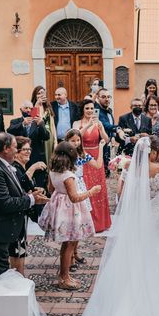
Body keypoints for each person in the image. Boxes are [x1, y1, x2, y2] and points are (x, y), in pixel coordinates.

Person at [72, 136, 159, 316]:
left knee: (133, 258)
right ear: (153, 152)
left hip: (133, 218)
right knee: (157, 259)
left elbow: (120, 194)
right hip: (153, 219)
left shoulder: (127, 167)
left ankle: (126, 305)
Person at [0, 133, 49, 276]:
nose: (17, 150)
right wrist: (31, 200)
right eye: (15, 147)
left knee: (1, 273)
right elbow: (5, 202)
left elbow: (14, 192)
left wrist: (30, 196)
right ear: (6, 148)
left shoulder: (3, 165)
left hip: (2, 229)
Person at [39, 142, 100, 290]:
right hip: (70, 210)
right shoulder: (68, 175)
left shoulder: (53, 171)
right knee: (70, 243)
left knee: (67, 243)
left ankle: (64, 274)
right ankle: (64, 277)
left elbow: (50, 188)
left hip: (59, 206)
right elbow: (74, 197)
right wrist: (91, 191)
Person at [64, 129, 105, 267]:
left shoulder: (82, 154)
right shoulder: (64, 155)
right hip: (70, 187)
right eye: (72, 140)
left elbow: (98, 165)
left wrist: (100, 148)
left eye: (78, 140)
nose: (76, 143)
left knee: (79, 223)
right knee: (72, 224)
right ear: (67, 141)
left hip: (81, 186)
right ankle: (69, 258)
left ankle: (75, 253)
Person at [9, 136, 47, 276]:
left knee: (21, 246)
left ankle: (20, 275)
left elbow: (27, 186)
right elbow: (21, 182)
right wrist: (33, 167)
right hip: (16, 213)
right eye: (24, 149)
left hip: (23, 212)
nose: (28, 152)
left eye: (29, 149)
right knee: (16, 249)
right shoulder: (14, 167)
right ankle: (17, 276)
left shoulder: (20, 167)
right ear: (16, 152)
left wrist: (36, 189)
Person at [73, 99, 111, 233]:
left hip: (96, 156)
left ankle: (100, 223)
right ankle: (86, 222)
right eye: (87, 108)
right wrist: (89, 125)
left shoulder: (98, 122)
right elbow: (76, 136)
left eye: (91, 108)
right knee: (85, 187)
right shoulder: (77, 123)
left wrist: (101, 129)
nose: (89, 111)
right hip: (82, 156)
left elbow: (106, 140)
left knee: (98, 188)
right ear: (83, 110)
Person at [7, 100, 51, 169]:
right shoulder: (15, 121)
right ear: (21, 109)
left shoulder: (38, 121)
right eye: (26, 108)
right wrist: (22, 124)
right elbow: (9, 131)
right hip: (19, 158)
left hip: (36, 158)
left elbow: (46, 137)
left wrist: (41, 125)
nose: (28, 110)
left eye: (30, 108)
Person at [30, 85, 55, 190]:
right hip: (39, 138)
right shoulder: (32, 107)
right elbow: (32, 121)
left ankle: (49, 183)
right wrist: (36, 106)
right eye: (39, 93)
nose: (41, 95)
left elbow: (53, 125)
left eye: (43, 93)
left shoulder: (48, 108)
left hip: (49, 136)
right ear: (35, 95)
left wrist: (56, 141)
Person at [95, 88, 117, 173]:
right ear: (98, 98)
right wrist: (118, 128)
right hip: (99, 144)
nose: (107, 99)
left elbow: (110, 123)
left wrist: (113, 136)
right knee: (101, 170)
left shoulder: (109, 110)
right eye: (103, 97)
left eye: (108, 97)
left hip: (107, 143)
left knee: (107, 170)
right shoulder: (97, 111)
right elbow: (106, 125)